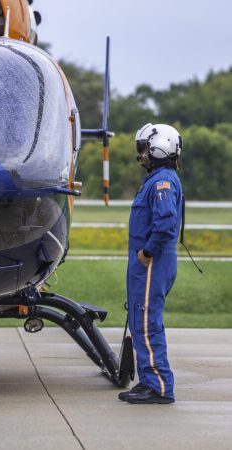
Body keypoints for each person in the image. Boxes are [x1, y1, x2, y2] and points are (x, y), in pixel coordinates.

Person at [118, 123, 183, 404]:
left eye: (144, 148)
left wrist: (147, 252)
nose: (141, 154)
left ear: (159, 148)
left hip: (152, 263)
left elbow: (166, 223)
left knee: (147, 323)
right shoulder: (157, 179)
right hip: (149, 264)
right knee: (142, 321)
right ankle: (148, 381)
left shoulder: (162, 183)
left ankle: (158, 386)